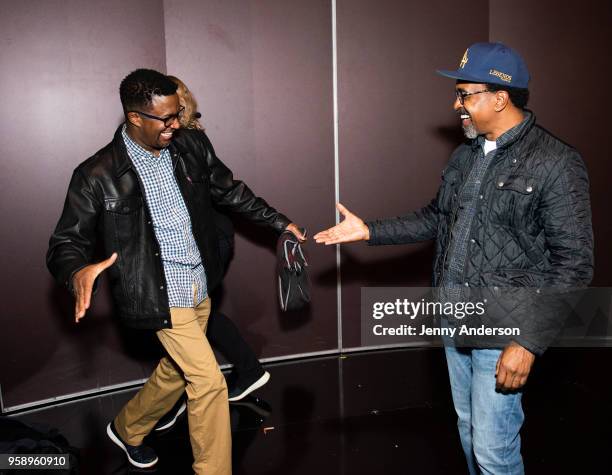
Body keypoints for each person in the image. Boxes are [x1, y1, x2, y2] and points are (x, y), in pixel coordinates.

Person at [314, 42, 593, 474]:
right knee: (467, 430)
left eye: (465, 94)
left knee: (494, 452)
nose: (456, 104)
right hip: (454, 318)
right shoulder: (466, 153)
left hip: (505, 328)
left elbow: (574, 264)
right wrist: (370, 230)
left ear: (500, 98)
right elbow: (435, 219)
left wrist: (528, 343)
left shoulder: (556, 162)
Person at [47, 69, 305, 474]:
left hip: (201, 281)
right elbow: (66, 242)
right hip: (158, 291)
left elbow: (229, 190)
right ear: (135, 118)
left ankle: (128, 428)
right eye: (165, 118)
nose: (175, 124)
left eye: (177, 113)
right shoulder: (96, 174)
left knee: (176, 369)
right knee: (208, 382)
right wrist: (76, 270)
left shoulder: (190, 146)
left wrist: (278, 222)